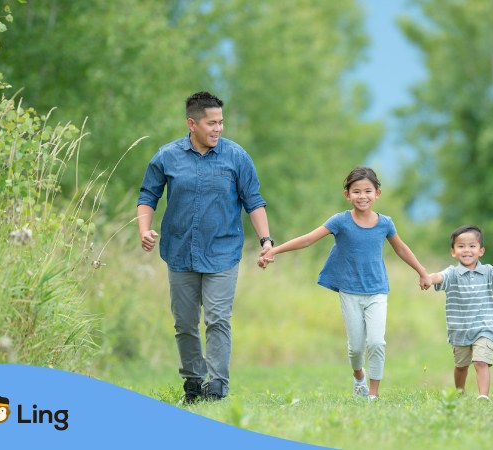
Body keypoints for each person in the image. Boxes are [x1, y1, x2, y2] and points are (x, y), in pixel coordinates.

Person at [137, 91, 274, 404]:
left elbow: (254, 201)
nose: (218, 129)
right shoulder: (166, 157)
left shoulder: (236, 157)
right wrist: (144, 229)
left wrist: (266, 241)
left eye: (221, 122)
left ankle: (217, 387)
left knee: (217, 319)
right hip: (179, 252)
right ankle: (194, 383)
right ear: (192, 123)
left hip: (223, 252)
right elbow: (148, 196)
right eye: (212, 123)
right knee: (184, 323)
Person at [258, 166, 432, 399]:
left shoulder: (385, 223)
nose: (363, 196)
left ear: (377, 193)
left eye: (368, 191)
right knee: (357, 347)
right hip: (350, 291)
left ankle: (373, 394)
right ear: (347, 195)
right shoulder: (340, 221)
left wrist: (422, 272)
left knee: (377, 342)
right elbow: (308, 239)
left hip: (377, 290)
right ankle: (358, 375)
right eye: (356, 191)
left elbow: (401, 248)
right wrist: (274, 251)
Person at [428, 225, 493, 400]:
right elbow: (438, 277)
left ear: (481, 250)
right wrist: (428, 278)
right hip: (459, 329)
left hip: (484, 328)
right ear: (453, 252)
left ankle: (483, 396)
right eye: (461, 246)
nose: (467, 250)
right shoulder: (452, 273)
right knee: (461, 366)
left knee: (480, 362)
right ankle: (460, 392)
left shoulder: (488, 272)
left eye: (472, 246)